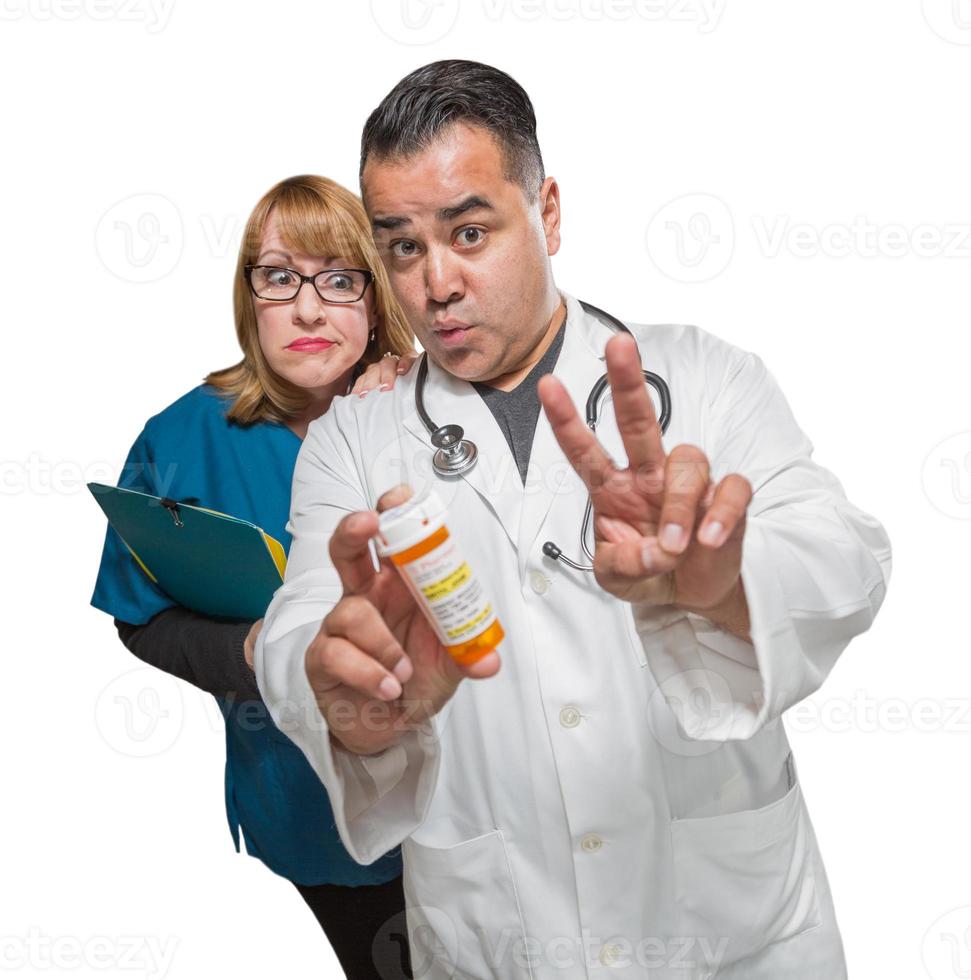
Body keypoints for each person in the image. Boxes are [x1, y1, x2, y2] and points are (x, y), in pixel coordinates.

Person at [255, 62, 893, 979]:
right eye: (400, 248)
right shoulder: (353, 443)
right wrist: (353, 702)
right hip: (495, 938)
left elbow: (849, 555)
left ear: (546, 212)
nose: (435, 283)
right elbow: (302, 631)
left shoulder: (704, 378)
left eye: (470, 232)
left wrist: (723, 585)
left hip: (731, 936)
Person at [90, 175, 418, 980]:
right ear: (250, 297)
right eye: (279, 276)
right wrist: (249, 651)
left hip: (477, 797)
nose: (308, 308)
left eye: (339, 279)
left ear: (375, 298)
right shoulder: (182, 437)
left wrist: (420, 385)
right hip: (310, 807)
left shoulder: (434, 404)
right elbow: (140, 618)